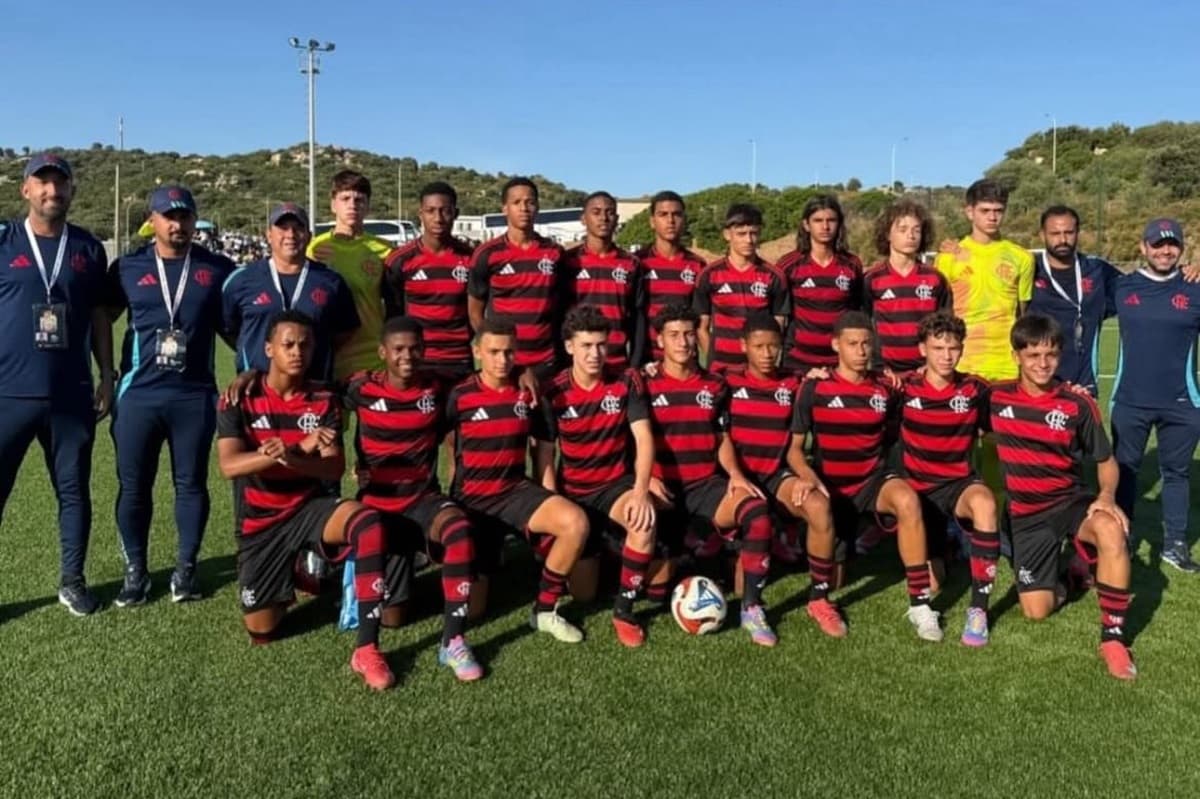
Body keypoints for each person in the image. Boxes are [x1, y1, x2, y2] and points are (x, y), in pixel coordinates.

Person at [215, 310, 395, 691]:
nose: (298, 352)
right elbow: (229, 466)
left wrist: (293, 457)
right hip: (260, 521)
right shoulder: (239, 399)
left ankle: (367, 648)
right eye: (288, 344)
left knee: (367, 523)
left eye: (305, 345)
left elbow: (333, 468)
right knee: (262, 630)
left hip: (308, 509)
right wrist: (294, 448)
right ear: (269, 349)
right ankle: (297, 569)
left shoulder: (324, 399)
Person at [105, 185, 235, 605]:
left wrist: (253, 369)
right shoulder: (128, 267)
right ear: (152, 220)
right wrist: (105, 373)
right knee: (133, 486)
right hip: (138, 396)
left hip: (193, 396)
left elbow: (237, 326)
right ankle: (136, 572)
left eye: (184, 216)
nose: (177, 224)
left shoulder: (217, 268)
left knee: (191, 484)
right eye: (168, 217)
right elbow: (101, 316)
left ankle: (186, 570)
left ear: (194, 220)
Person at [988, 313, 1135, 680]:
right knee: (1036, 611)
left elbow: (1106, 461)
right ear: (1016, 356)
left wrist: (1107, 495)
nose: (1043, 363)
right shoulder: (995, 397)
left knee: (1110, 528)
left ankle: (1113, 638)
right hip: (1025, 516)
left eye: (1051, 354)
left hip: (1069, 502)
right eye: (1033, 355)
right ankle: (1071, 577)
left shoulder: (1077, 404)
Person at [0, 153, 113, 616]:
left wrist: (107, 374)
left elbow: (101, 316)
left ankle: (73, 581)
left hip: (71, 392)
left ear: (71, 190)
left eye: (60, 183)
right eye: (42, 183)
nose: (52, 191)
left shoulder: (88, 248)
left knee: (73, 491)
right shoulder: (5, 240)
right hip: (9, 392)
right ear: (25, 189)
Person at [343, 317, 483, 681]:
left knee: (459, 529)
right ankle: (366, 649)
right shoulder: (361, 387)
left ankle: (453, 641)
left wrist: (526, 373)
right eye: (399, 349)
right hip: (377, 506)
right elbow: (319, 397)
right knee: (394, 617)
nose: (408, 356)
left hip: (423, 500)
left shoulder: (437, 387)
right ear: (382, 352)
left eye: (415, 348)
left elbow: (482, 382)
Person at [792, 311, 940, 641]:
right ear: (836, 345)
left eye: (866, 343)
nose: (861, 351)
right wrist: (805, 474)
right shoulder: (815, 387)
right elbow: (794, 449)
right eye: (852, 344)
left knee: (907, 500)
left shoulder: (886, 387)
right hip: (831, 486)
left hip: (872, 481)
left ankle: (920, 605)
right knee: (836, 579)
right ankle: (818, 599)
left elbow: (896, 428)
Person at [445, 319, 591, 642]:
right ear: (477, 352)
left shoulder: (529, 393)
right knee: (474, 611)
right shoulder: (459, 394)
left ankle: (544, 610)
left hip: (514, 492)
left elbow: (543, 453)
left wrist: (552, 499)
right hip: (472, 501)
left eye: (509, 352)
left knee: (575, 522)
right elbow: (434, 439)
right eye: (494, 352)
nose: (502, 360)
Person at [644, 303, 778, 646]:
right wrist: (645, 480)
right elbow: (632, 440)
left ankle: (751, 607)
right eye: (674, 335)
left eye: (689, 334)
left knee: (757, 512)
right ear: (660, 340)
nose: (683, 342)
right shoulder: (642, 383)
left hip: (705, 486)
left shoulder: (715, 385)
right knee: (655, 593)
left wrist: (735, 474)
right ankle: (689, 553)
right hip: (662, 492)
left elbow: (722, 438)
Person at [532, 305, 659, 647]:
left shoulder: (625, 381)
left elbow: (644, 439)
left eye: (601, 344)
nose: (595, 353)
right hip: (575, 493)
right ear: (569, 347)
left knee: (644, 520)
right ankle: (604, 549)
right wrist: (551, 505)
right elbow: (544, 455)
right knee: (584, 594)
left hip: (615, 486)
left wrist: (641, 491)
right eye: (586, 345)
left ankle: (624, 611)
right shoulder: (553, 391)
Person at [725, 312, 845, 637]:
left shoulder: (795, 382)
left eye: (773, 346)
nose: (767, 354)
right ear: (743, 346)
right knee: (741, 585)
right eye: (759, 346)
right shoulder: (726, 382)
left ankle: (819, 599)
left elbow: (837, 380)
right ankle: (748, 583)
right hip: (739, 479)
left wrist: (805, 474)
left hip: (778, 475)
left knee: (819, 506)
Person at [898, 312, 998, 645]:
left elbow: (1017, 398)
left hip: (958, 485)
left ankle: (979, 610)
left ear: (962, 349)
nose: (946, 356)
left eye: (953, 348)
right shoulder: (903, 387)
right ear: (922, 349)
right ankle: (946, 549)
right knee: (934, 582)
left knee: (985, 503)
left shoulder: (975, 389)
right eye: (938, 348)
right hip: (918, 491)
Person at [1111, 219, 1200, 572]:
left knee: (1176, 473)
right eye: (1157, 244)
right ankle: (1122, 537)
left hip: (1181, 402)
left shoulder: (1194, 288)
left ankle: (1175, 544)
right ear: (1143, 247)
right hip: (1129, 399)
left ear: (1182, 248)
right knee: (1125, 471)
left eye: (1172, 244)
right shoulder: (1121, 286)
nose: (1165, 251)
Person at [222, 203, 359, 382]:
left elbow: (345, 332)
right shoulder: (241, 280)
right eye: (283, 228)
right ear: (268, 235)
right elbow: (229, 329)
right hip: (256, 389)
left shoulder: (331, 281)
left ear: (309, 236)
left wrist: (316, 351)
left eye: (298, 228)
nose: (291, 234)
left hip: (313, 387)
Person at [467, 177, 568, 382]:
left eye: (530, 202)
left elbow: (561, 308)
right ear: (505, 208)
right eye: (516, 202)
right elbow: (475, 312)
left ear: (537, 207)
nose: (524, 208)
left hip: (546, 361)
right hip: (505, 365)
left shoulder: (555, 253)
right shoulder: (487, 253)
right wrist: (495, 350)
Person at [934, 179, 1034, 381]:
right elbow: (940, 315)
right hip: (963, 364)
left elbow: (1022, 313)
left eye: (998, 211)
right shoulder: (947, 258)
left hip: (1007, 365)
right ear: (969, 212)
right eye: (985, 210)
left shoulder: (1022, 257)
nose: (992, 217)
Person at [381, 182, 476, 386]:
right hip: (417, 360)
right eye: (431, 211)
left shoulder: (471, 259)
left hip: (459, 359)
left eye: (445, 211)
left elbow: (477, 311)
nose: (438, 218)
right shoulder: (400, 260)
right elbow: (394, 315)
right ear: (421, 214)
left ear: (456, 213)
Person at [307, 170, 394, 380]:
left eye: (359, 200)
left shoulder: (385, 250)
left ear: (368, 206)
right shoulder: (316, 249)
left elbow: (395, 305)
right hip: (330, 357)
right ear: (333, 205)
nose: (352, 205)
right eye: (345, 198)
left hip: (373, 356)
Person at [1027, 206, 1121, 395]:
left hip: (1083, 387)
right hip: (1037, 385)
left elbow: (1143, 290)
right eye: (1055, 233)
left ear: (1078, 232)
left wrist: (1182, 275)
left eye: (1069, 232)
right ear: (1042, 235)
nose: (1062, 240)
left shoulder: (1097, 270)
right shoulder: (1029, 269)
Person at [693, 204, 788, 372]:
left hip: (757, 371)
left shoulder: (774, 276)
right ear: (727, 234)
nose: (749, 240)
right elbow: (701, 328)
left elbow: (778, 326)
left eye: (754, 233)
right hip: (721, 369)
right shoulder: (709, 274)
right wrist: (713, 361)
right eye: (741, 234)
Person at [777, 195, 864, 374]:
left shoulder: (852, 264)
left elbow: (856, 312)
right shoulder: (788, 265)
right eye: (818, 220)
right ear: (806, 225)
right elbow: (779, 314)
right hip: (798, 360)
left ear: (839, 224)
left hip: (840, 362)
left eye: (831, 220)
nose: (825, 227)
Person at [863, 199, 951, 373]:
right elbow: (863, 326)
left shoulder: (936, 279)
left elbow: (945, 326)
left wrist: (933, 364)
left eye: (916, 230)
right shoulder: (872, 279)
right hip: (885, 372)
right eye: (902, 229)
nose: (911, 236)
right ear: (887, 234)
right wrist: (878, 366)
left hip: (926, 371)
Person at [561, 192, 644, 368]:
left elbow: (637, 317)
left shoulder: (631, 263)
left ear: (617, 219)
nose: (604, 218)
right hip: (579, 364)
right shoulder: (567, 261)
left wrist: (635, 364)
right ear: (583, 219)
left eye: (610, 212)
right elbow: (558, 314)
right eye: (596, 212)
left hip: (617, 363)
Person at [636, 191, 707, 364]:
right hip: (648, 361)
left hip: (685, 361)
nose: (670, 221)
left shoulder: (697, 265)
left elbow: (700, 320)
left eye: (676, 214)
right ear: (652, 221)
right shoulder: (638, 262)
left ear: (684, 219)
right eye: (663, 214)